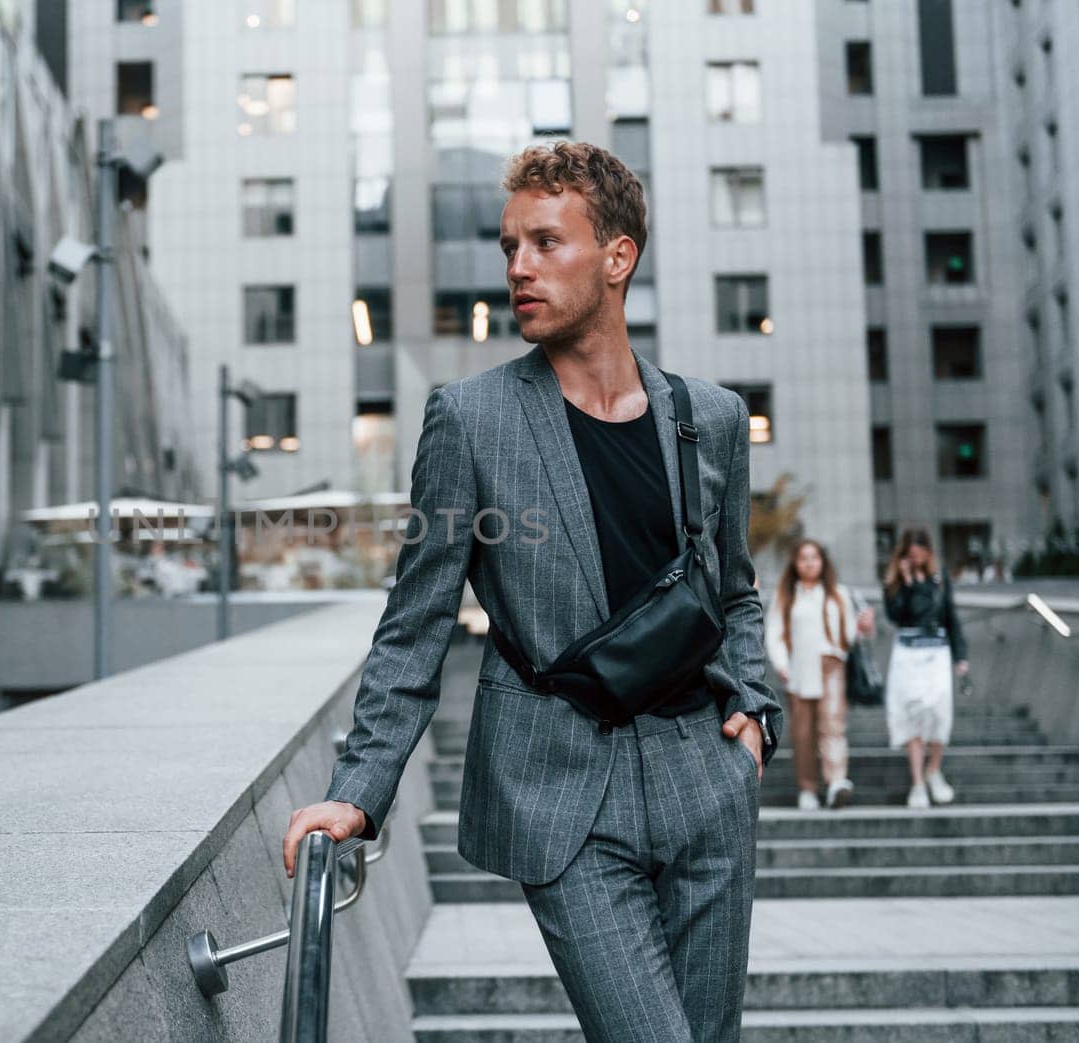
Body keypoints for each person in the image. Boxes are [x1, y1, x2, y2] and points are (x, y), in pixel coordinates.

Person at [281, 140, 780, 1043]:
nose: (517, 267)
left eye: (546, 243)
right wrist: (359, 788)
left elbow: (735, 590)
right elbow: (415, 622)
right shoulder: (470, 421)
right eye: (510, 245)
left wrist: (753, 708)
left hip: (704, 782)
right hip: (563, 791)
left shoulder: (706, 418)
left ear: (618, 257)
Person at [764, 539, 875, 810]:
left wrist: (863, 628)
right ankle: (808, 787)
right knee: (803, 733)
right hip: (800, 671)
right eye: (804, 558)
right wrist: (782, 665)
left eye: (814, 557)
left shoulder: (838, 593)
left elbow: (849, 635)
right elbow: (774, 633)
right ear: (796, 563)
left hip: (832, 667)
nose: (810, 563)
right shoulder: (787, 595)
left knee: (833, 727)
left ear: (823, 561)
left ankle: (836, 780)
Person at [882, 526, 969, 808]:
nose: (916, 559)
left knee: (939, 710)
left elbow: (951, 617)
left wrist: (961, 657)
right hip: (908, 652)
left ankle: (934, 769)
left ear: (928, 552)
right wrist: (906, 582)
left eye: (920, 554)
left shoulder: (939, 578)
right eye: (911, 555)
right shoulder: (896, 580)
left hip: (938, 651)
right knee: (913, 712)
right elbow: (897, 616)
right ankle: (917, 780)